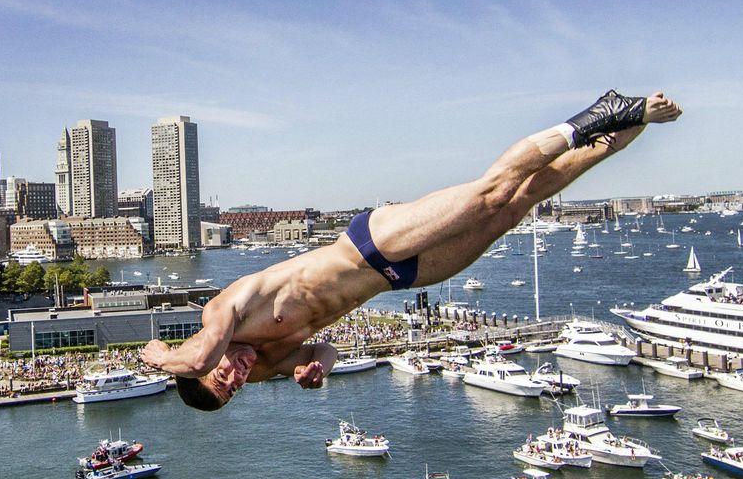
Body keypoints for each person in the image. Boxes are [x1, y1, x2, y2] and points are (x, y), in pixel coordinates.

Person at [141, 90, 682, 410]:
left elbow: (201, 352)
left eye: (221, 377)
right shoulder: (262, 366)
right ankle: (622, 131)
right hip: (398, 278)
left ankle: (595, 115)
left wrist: (164, 358)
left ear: (196, 366)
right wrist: (317, 370)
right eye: (231, 388)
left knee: (489, 190)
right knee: (513, 210)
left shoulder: (220, 317)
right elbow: (324, 353)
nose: (233, 376)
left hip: (368, 244)